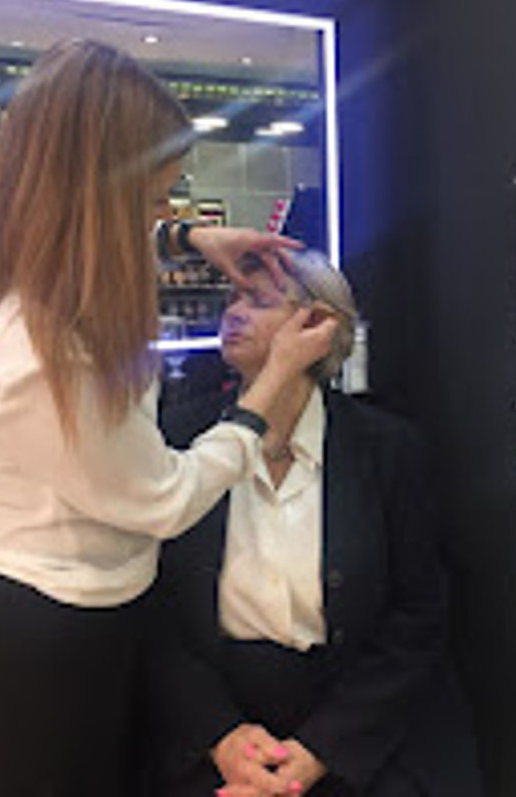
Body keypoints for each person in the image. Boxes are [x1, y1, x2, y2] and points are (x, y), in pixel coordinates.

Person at [0, 39, 337, 797]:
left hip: (37, 606)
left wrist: (188, 237)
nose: (163, 215)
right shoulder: (38, 350)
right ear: (95, 194)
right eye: (152, 200)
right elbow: (164, 500)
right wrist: (272, 388)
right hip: (42, 644)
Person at [148, 250, 482, 797]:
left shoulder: (388, 450)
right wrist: (221, 737)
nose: (234, 313)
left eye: (259, 301)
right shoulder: (178, 440)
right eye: (232, 298)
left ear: (320, 326)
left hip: (356, 719)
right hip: (218, 718)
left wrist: (322, 749)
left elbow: (418, 618)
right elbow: (154, 617)